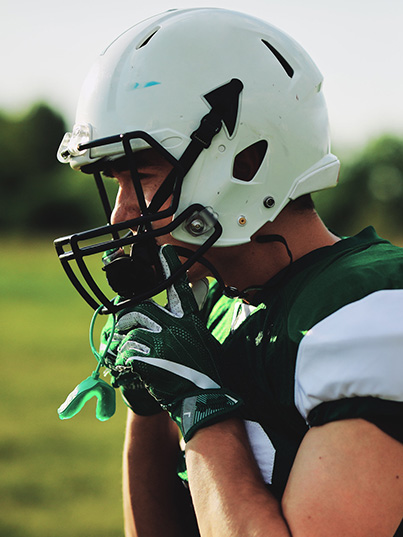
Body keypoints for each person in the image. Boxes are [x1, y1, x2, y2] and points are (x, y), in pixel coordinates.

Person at [56, 7, 403, 536]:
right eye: (114, 182)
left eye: (141, 176)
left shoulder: (368, 313)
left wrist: (198, 403)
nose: (119, 215)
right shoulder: (214, 310)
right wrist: (153, 401)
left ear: (247, 161)